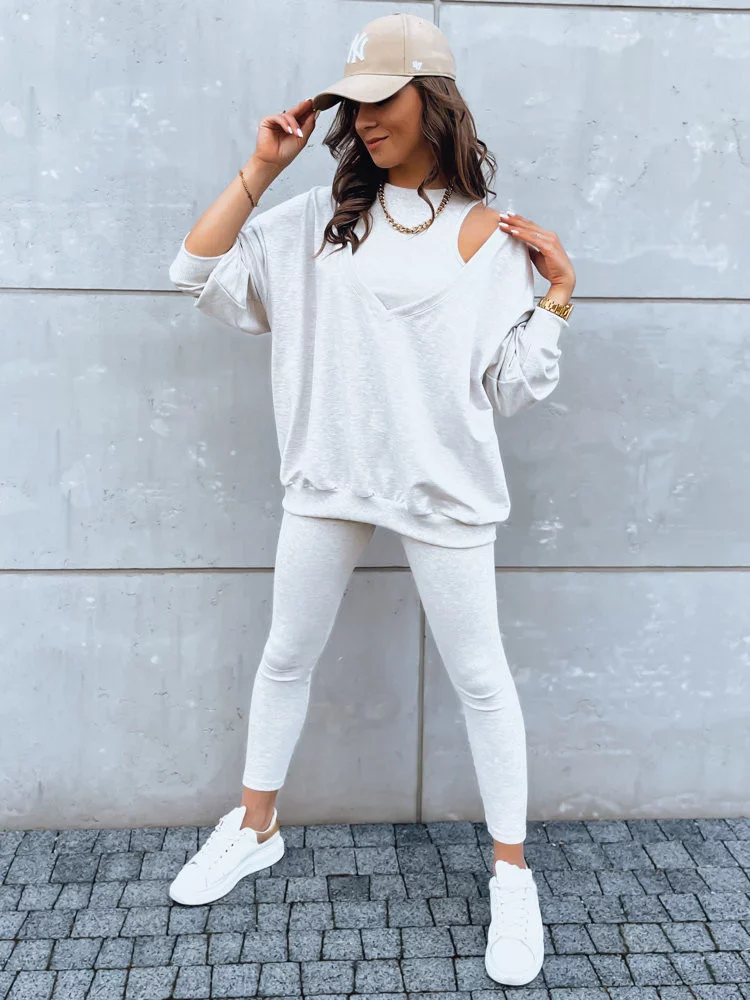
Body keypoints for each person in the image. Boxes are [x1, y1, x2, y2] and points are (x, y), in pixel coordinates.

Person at [166, 12, 576, 987]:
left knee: (482, 681)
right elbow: (194, 272)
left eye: (382, 100)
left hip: (444, 485)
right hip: (329, 476)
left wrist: (556, 296)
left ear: (432, 99)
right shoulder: (316, 220)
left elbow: (509, 386)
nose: (364, 120)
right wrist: (263, 167)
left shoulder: (492, 235)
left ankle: (511, 875)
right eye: (352, 106)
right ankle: (255, 826)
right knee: (286, 654)